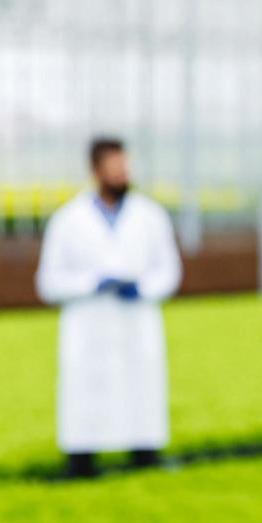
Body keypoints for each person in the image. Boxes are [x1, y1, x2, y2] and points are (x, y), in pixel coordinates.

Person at [36, 135, 183, 478]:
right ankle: (81, 461)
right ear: (95, 171)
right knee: (86, 394)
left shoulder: (150, 217)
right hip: (89, 322)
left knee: (141, 389)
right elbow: (48, 281)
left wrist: (144, 287)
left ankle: (145, 454)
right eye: (113, 169)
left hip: (137, 318)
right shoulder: (67, 221)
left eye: (124, 168)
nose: (121, 175)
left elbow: (170, 271)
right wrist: (91, 284)